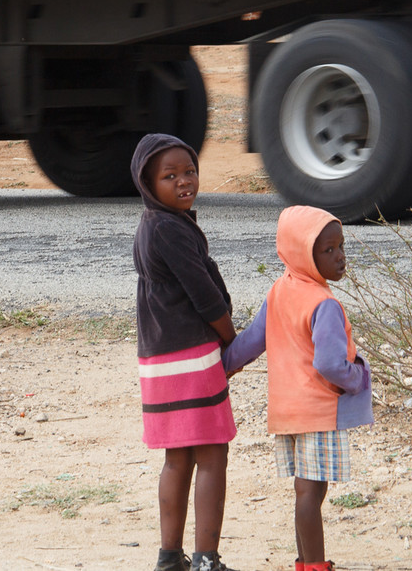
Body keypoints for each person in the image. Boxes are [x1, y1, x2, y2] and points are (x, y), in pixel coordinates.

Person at [223, 205, 373, 571]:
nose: (340, 257)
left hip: (286, 411)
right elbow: (329, 364)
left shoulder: (279, 290)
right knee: (311, 491)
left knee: (305, 491)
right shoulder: (324, 303)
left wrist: (221, 366)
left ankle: (306, 562)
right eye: (328, 250)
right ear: (303, 254)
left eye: (341, 246)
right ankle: (316, 566)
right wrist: (358, 378)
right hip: (318, 411)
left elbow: (251, 341)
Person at [131, 133, 239, 571]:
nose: (183, 181)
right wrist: (231, 338)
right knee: (212, 454)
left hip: (159, 361)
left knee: (177, 458)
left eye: (190, 171)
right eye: (169, 176)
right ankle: (206, 561)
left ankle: (169, 557)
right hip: (191, 358)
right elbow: (205, 296)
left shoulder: (151, 224)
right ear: (147, 183)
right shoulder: (169, 229)